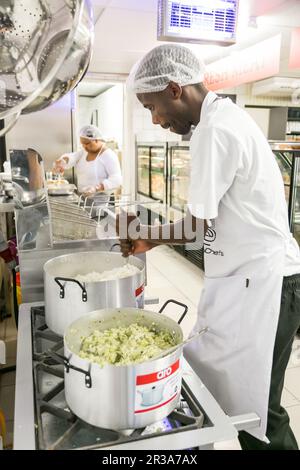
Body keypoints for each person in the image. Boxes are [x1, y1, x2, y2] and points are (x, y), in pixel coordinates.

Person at [117, 44, 300, 450]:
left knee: (259, 414)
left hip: (268, 285)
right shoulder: (222, 119)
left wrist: (143, 230)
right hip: (252, 282)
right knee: (240, 401)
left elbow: (196, 228)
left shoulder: (215, 130)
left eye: (152, 107)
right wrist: (150, 235)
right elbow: (209, 223)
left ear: (173, 89)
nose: (155, 119)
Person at [53, 125, 122, 196]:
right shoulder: (84, 152)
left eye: (87, 143)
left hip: (100, 202)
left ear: (96, 140)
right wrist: (62, 162)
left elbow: (116, 179)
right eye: (82, 144)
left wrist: (96, 188)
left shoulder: (108, 155)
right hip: (83, 199)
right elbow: (72, 157)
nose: (84, 147)